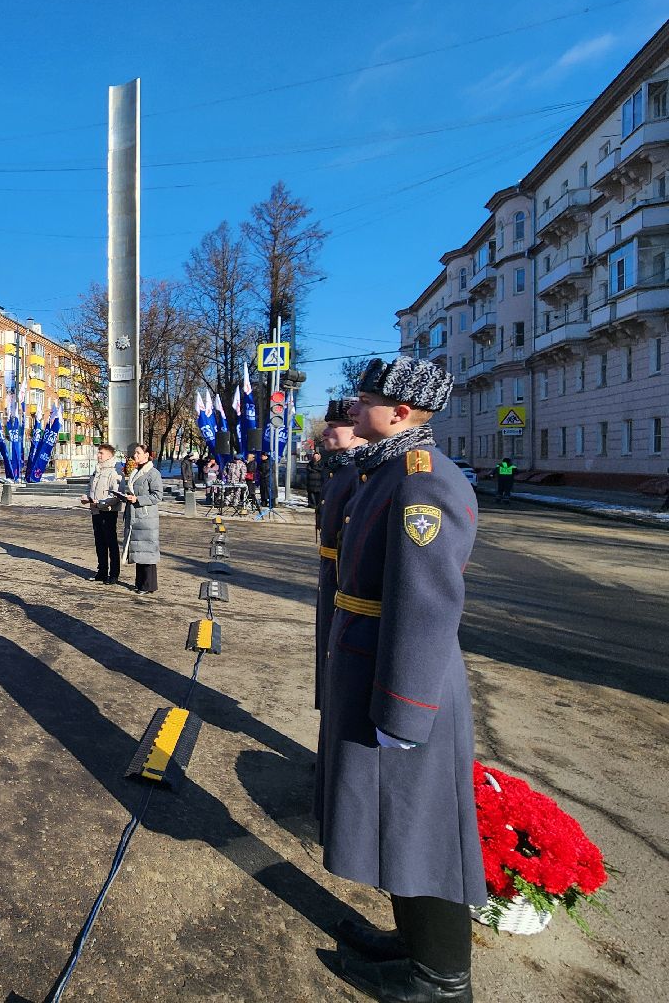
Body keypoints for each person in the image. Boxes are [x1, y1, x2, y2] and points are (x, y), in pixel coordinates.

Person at [318, 356, 483, 1003]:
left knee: (424, 829)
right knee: (395, 825)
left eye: (365, 400)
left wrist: (405, 710)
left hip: (406, 681)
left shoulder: (422, 482)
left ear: (402, 413)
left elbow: (426, 603)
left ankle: (443, 980)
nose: (354, 409)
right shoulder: (386, 472)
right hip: (374, 668)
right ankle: (413, 945)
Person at [312, 402, 367, 721]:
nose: (327, 431)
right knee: (327, 658)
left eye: (335, 426)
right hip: (331, 574)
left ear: (356, 432)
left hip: (344, 580)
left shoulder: (358, 472)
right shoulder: (341, 468)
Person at [120, 443, 163, 594]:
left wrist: (137, 499)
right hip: (135, 516)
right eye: (134, 453)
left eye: (138, 453)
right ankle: (140, 583)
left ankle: (148, 585)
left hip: (146, 517)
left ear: (146, 455)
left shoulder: (153, 473)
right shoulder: (135, 472)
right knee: (138, 551)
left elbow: (157, 496)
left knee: (147, 553)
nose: (135, 455)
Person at [80, 443, 121, 585]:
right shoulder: (96, 470)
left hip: (108, 512)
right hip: (95, 510)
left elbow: (116, 495)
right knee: (99, 543)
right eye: (98, 452)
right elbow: (89, 487)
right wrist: (86, 498)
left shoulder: (114, 471)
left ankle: (114, 574)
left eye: (101, 453)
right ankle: (102, 571)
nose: (98, 455)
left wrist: (101, 503)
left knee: (111, 543)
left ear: (109, 455)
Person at [304, 448, 327, 529]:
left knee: (318, 495)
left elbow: (322, 470)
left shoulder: (322, 464)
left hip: (319, 483)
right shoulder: (310, 463)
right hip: (311, 482)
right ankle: (311, 504)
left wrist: (315, 470)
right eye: (315, 457)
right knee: (311, 494)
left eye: (317, 457)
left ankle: (317, 504)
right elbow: (308, 469)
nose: (316, 458)